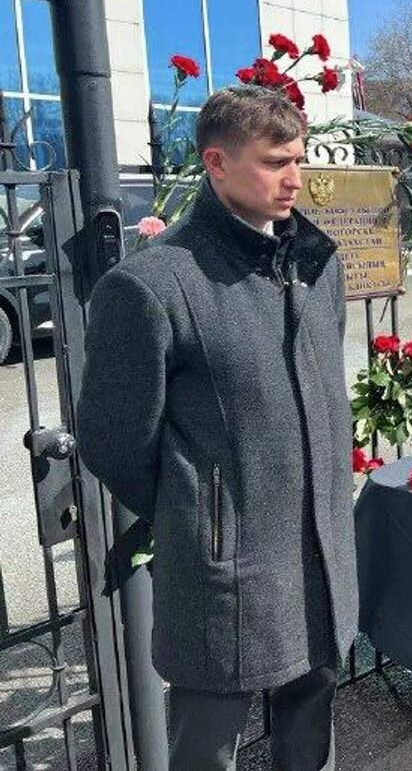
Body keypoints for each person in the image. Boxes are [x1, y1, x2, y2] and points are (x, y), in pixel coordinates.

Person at [76, 85, 356, 769]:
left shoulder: (318, 264)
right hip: (225, 571)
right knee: (207, 743)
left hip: (318, 553)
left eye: (299, 158)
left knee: (310, 729)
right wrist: (205, 510)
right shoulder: (152, 285)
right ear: (217, 163)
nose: (294, 177)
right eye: (273, 161)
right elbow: (114, 441)